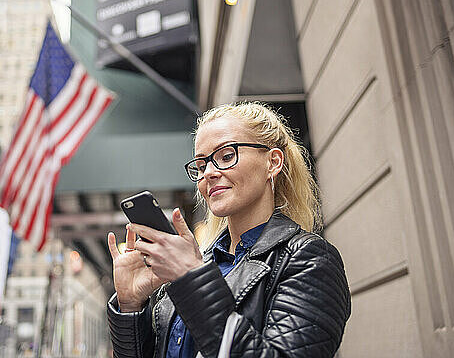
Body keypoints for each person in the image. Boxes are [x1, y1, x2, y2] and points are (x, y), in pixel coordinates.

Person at [106, 101, 351, 358]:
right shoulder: (198, 264)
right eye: (201, 165)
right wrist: (131, 306)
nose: (209, 173)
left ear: (273, 162)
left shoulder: (309, 258)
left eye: (226, 156)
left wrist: (192, 280)